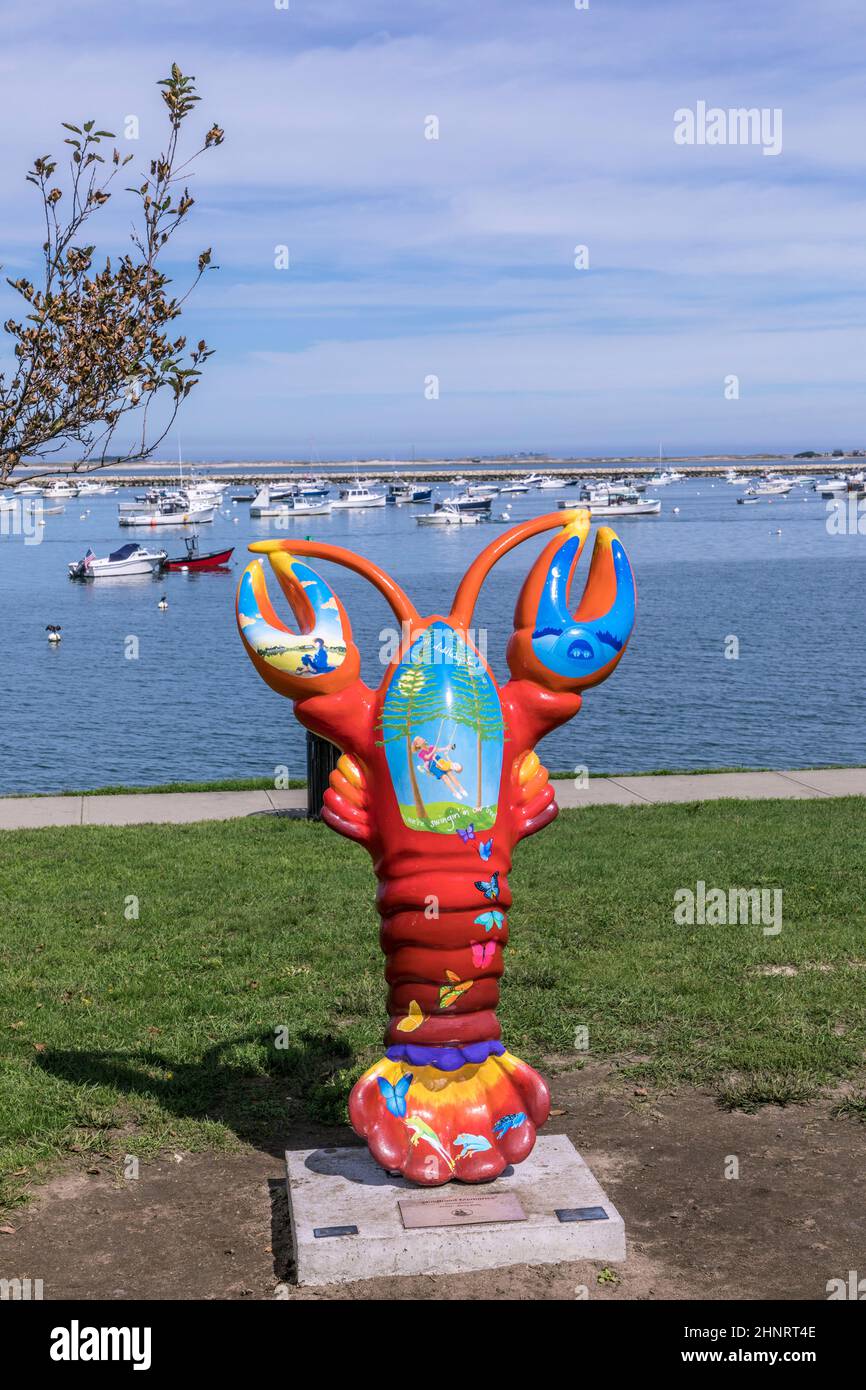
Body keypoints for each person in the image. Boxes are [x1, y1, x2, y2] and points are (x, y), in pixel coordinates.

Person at [411, 735, 468, 799]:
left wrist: (447, 748)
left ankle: (461, 789)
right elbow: (427, 757)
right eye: (418, 740)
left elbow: (441, 749)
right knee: (444, 777)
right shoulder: (421, 753)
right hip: (432, 765)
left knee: (450, 774)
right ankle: (455, 792)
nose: (421, 739)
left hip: (439, 760)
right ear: (417, 745)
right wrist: (433, 751)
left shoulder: (431, 747)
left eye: (420, 738)